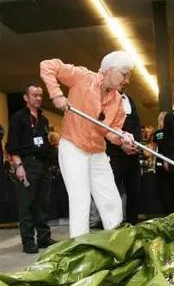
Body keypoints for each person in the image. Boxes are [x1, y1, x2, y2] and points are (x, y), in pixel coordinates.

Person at [40, 52, 135, 238]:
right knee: (80, 199)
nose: (128, 80)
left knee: (112, 201)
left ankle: (115, 243)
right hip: (73, 147)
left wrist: (122, 138)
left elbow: (110, 132)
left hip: (98, 152)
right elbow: (47, 65)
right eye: (124, 74)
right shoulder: (82, 77)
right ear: (109, 70)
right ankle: (79, 248)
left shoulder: (118, 101)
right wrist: (56, 94)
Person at [6, 84, 57, 253]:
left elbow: (45, 143)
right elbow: (12, 146)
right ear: (26, 98)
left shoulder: (43, 119)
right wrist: (19, 166)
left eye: (40, 95)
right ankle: (28, 241)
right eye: (34, 95)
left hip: (42, 165)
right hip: (26, 164)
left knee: (42, 203)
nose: (38, 98)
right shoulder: (18, 118)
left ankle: (43, 237)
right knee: (26, 205)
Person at [106, 92, 141, 225]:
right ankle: (113, 224)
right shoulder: (106, 98)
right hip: (115, 154)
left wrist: (136, 145)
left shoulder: (130, 99)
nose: (125, 80)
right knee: (113, 190)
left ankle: (133, 223)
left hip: (133, 154)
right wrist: (121, 146)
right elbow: (104, 128)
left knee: (134, 190)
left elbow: (136, 126)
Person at [153, 111, 174, 214]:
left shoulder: (158, 133)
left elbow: (155, 147)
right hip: (167, 161)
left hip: (161, 161)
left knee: (164, 188)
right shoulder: (165, 133)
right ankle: (171, 211)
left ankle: (167, 212)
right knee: (170, 188)